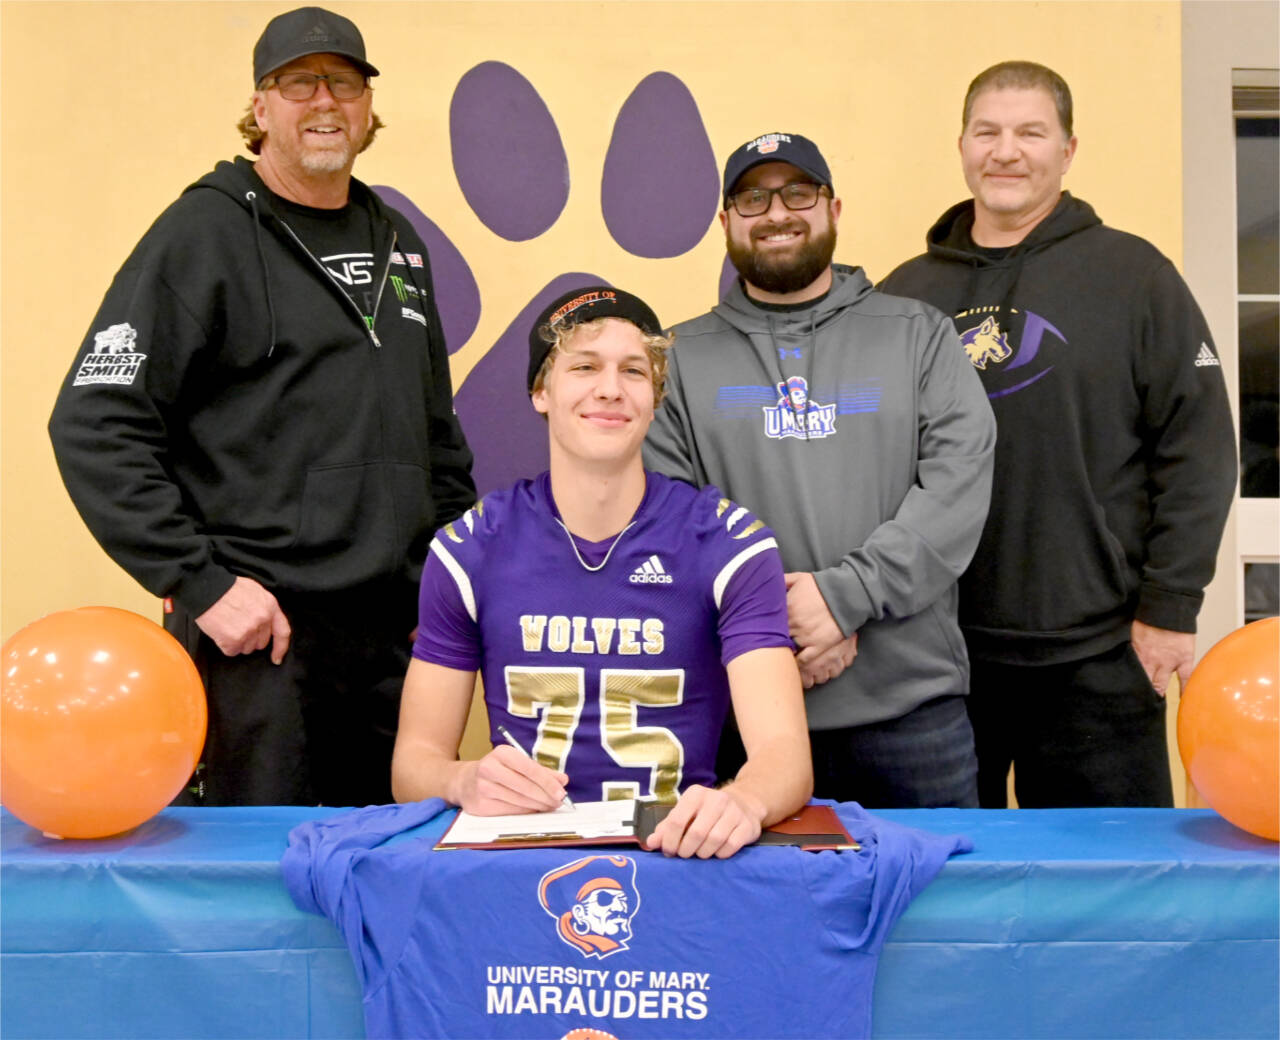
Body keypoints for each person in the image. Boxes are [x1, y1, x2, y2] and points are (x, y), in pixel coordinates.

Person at [48, 7, 475, 807]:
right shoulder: (202, 232)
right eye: (298, 82)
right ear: (260, 106)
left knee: (377, 877)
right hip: (263, 644)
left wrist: (444, 585)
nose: (324, 102)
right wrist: (200, 584)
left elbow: (438, 440)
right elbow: (95, 422)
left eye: (344, 83)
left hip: (392, 645)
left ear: (368, 107)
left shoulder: (401, 244)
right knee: (264, 895)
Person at [880, 61, 1236, 808]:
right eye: (989, 132)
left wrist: (1170, 609)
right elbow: (867, 465)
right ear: (962, 145)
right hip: (938, 656)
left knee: (1110, 902)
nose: (1007, 151)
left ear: (1068, 150)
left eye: (1030, 133)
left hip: (1101, 654)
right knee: (945, 900)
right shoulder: (906, 296)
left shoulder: (1136, 277)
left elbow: (1198, 448)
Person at [390, 286, 812, 858]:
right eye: (585, 366)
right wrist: (462, 781)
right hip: (521, 853)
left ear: (656, 397)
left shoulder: (728, 544)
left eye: (634, 371)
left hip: (679, 853)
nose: (610, 389)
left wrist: (743, 801)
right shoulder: (472, 548)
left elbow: (784, 754)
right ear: (541, 390)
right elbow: (414, 761)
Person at [644, 134, 997, 808]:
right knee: (756, 917)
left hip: (911, 715)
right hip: (742, 719)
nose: (776, 212)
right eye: (753, 197)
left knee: (939, 915)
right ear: (725, 223)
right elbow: (671, 520)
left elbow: (955, 491)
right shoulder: (679, 357)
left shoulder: (918, 334)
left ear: (834, 207)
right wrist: (779, 631)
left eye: (798, 193)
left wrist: (846, 598)